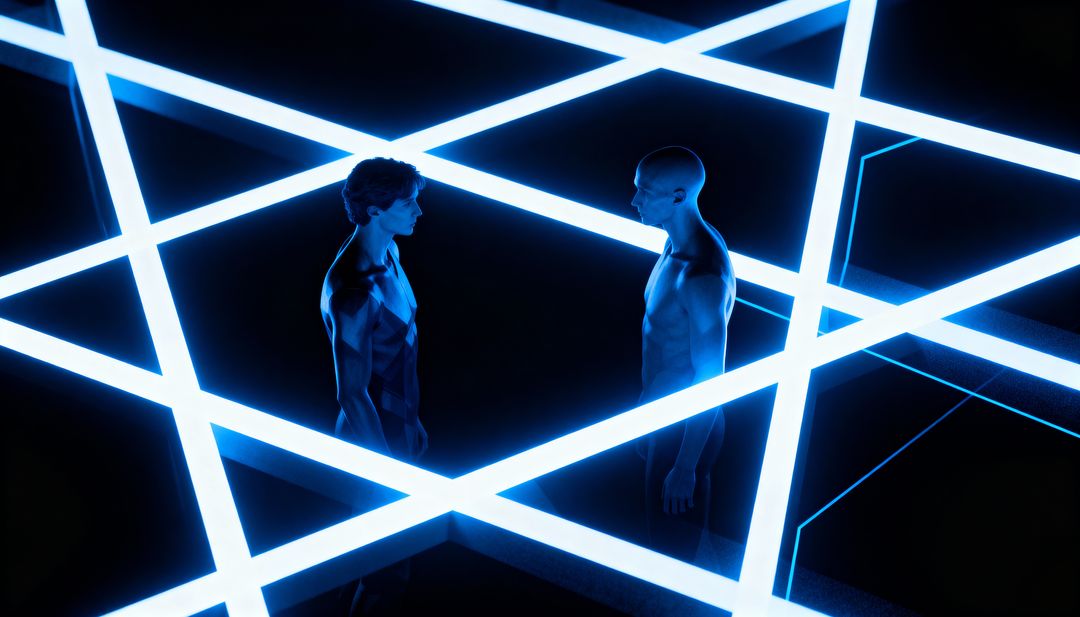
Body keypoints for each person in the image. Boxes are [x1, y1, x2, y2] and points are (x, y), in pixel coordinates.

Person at [321, 157, 428, 615]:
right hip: (373, 437)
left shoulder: (390, 254)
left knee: (376, 560)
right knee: (388, 570)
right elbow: (351, 392)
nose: (418, 212)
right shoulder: (355, 291)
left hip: (398, 425)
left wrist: (414, 419)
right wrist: (387, 466)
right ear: (375, 210)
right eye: (408, 204)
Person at [631, 146, 735, 563]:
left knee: (673, 559)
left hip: (686, 429)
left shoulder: (701, 275)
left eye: (645, 191)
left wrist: (686, 465)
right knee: (661, 544)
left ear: (678, 196)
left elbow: (711, 378)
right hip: (663, 415)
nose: (634, 200)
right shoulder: (673, 245)